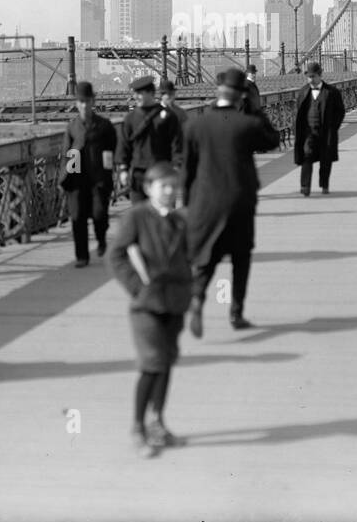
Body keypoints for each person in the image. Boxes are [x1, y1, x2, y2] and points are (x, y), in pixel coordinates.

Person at [184, 67, 281, 334]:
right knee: (240, 257)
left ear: (217, 92)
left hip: (205, 202)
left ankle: (197, 296)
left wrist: (188, 206)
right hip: (240, 200)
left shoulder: (196, 125)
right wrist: (256, 110)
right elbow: (273, 140)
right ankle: (236, 313)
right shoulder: (247, 125)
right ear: (241, 96)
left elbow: (187, 172)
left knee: (208, 256)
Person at [107, 161, 191, 459]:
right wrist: (136, 287)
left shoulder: (180, 220)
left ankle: (158, 423)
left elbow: (191, 256)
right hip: (146, 305)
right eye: (163, 186)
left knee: (165, 363)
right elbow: (115, 255)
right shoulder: (136, 217)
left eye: (173, 186)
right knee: (152, 363)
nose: (169, 191)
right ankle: (138, 428)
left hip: (175, 302)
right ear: (148, 188)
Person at [62, 81, 117, 268]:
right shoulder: (72, 127)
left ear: (93, 101)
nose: (84, 105)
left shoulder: (104, 125)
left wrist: (108, 175)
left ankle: (101, 239)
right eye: (81, 101)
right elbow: (67, 153)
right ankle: (82, 256)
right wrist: (66, 179)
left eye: (87, 101)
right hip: (78, 180)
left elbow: (111, 150)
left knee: (100, 214)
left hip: (98, 179)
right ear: (76, 104)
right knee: (78, 218)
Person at [116, 75, 183, 202]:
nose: (136, 97)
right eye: (135, 93)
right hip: (139, 174)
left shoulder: (168, 116)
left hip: (162, 172)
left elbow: (176, 143)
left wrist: (177, 166)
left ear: (151, 93)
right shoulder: (130, 119)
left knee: (162, 209)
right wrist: (123, 169)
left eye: (139, 93)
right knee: (140, 211)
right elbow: (124, 146)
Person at [293, 60, 346, 195]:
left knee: (325, 159)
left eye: (313, 76)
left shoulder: (332, 92)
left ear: (320, 75)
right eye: (308, 76)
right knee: (307, 156)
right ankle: (305, 186)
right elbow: (298, 112)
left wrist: (333, 127)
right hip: (308, 132)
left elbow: (340, 111)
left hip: (326, 132)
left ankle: (324, 184)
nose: (310, 79)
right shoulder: (303, 92)